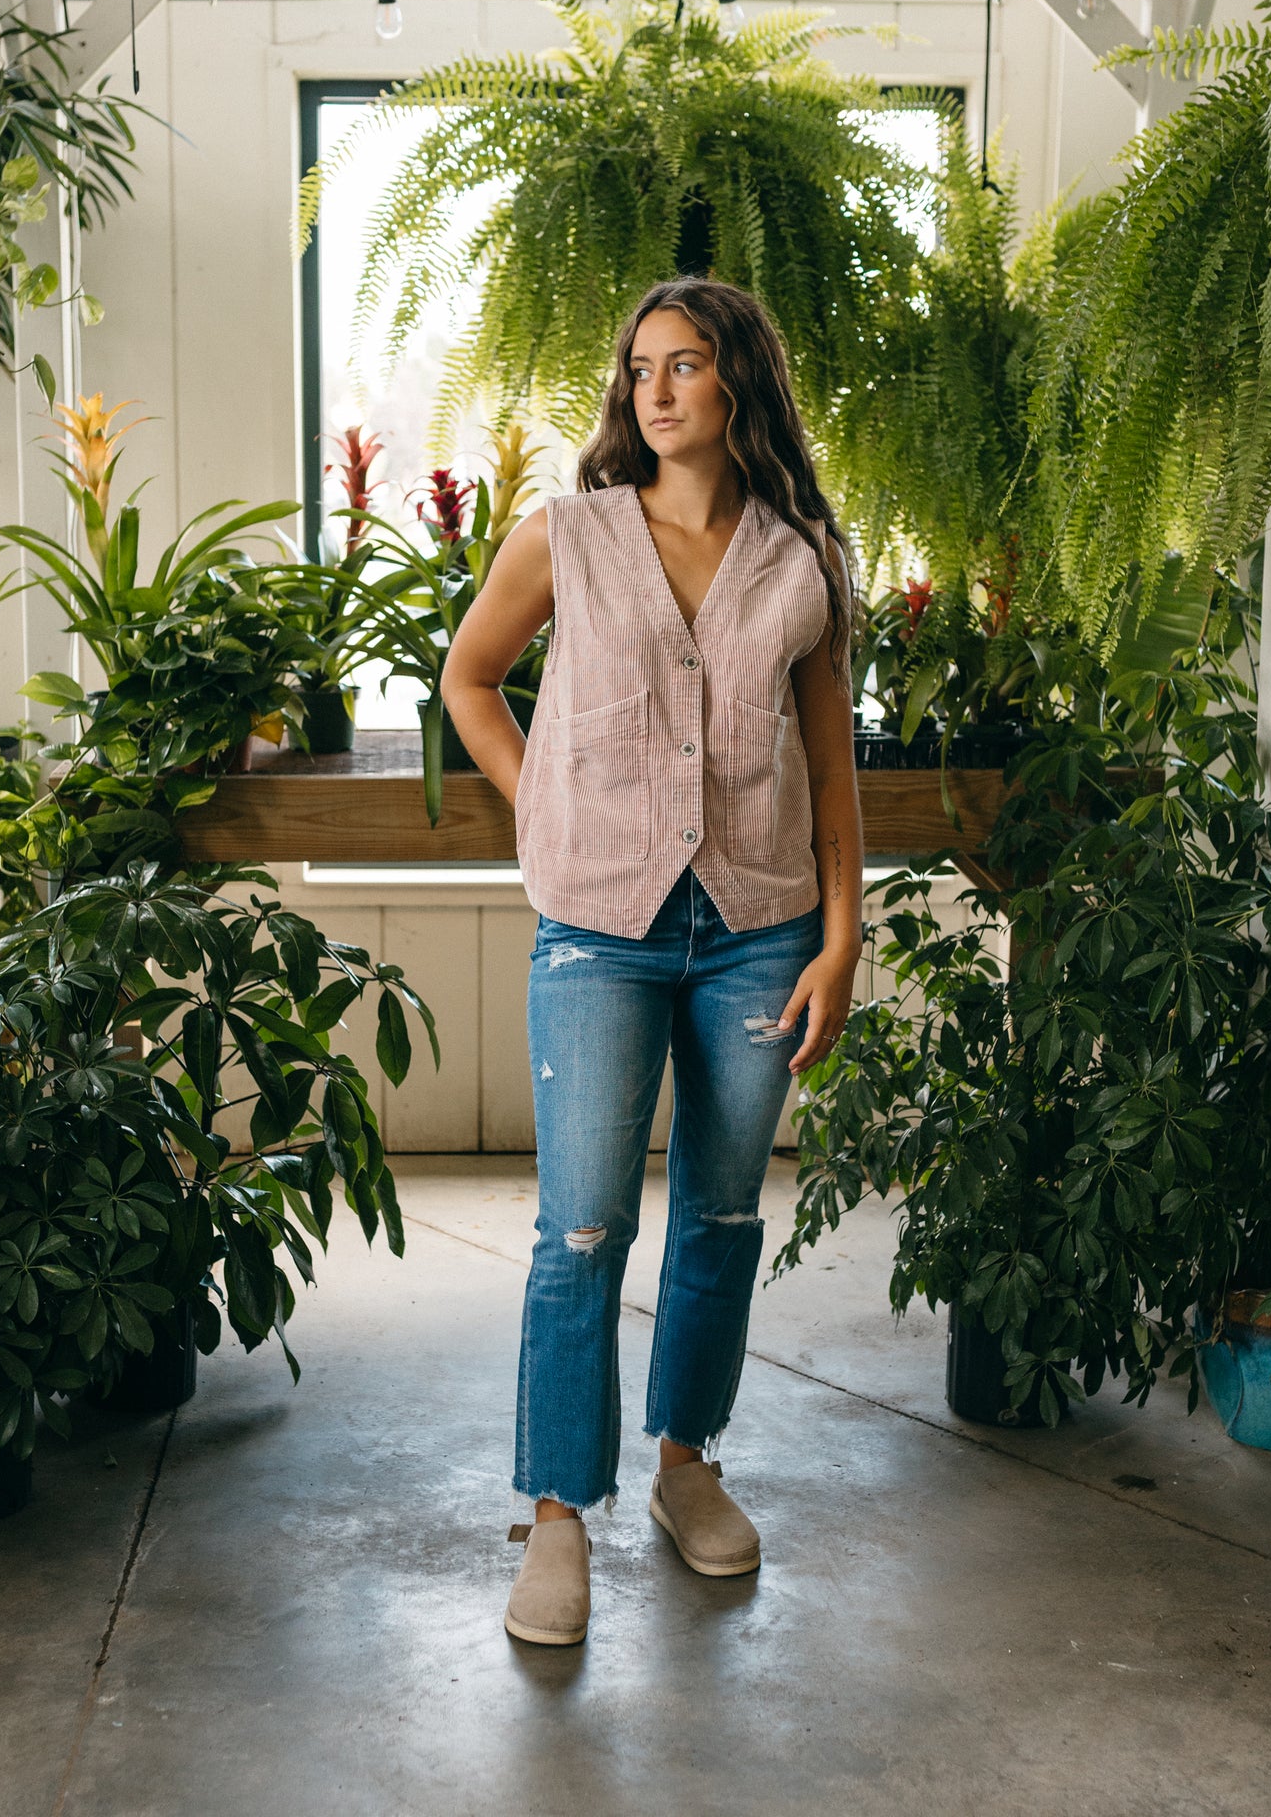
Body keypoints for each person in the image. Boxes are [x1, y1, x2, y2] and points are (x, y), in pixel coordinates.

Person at [441, 276, 864, 1647]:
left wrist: (842, 935)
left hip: (759, 930)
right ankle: (559, 1512)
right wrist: (542, 806)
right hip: (599, 934)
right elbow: (469, 679)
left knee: (726, 1215)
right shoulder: (566, 536)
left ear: (740, 380)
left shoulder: (799, 556)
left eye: (685, 365)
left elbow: (832, 761)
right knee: (580, 1229)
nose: (657, 390)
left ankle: (687, 1464)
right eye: (639, 370)